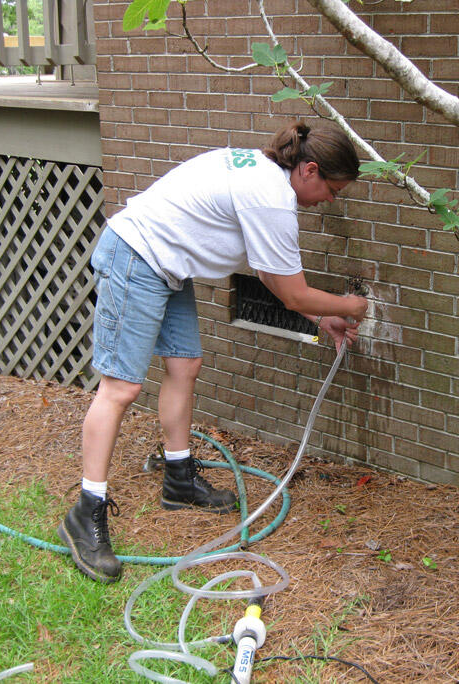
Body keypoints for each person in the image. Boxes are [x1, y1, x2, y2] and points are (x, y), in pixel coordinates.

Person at [57, 120, 369, 583]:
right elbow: (293, 293)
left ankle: (179, 479)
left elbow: (271, 272)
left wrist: (321, 319)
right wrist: (352, 305)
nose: (331, 200)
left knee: (185, 364)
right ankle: (86, 511)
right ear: (309, 170)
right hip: (137, 256)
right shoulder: (271, 197)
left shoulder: (264, 174)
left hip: (169, 264)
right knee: (120, 387)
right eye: (334, 189)